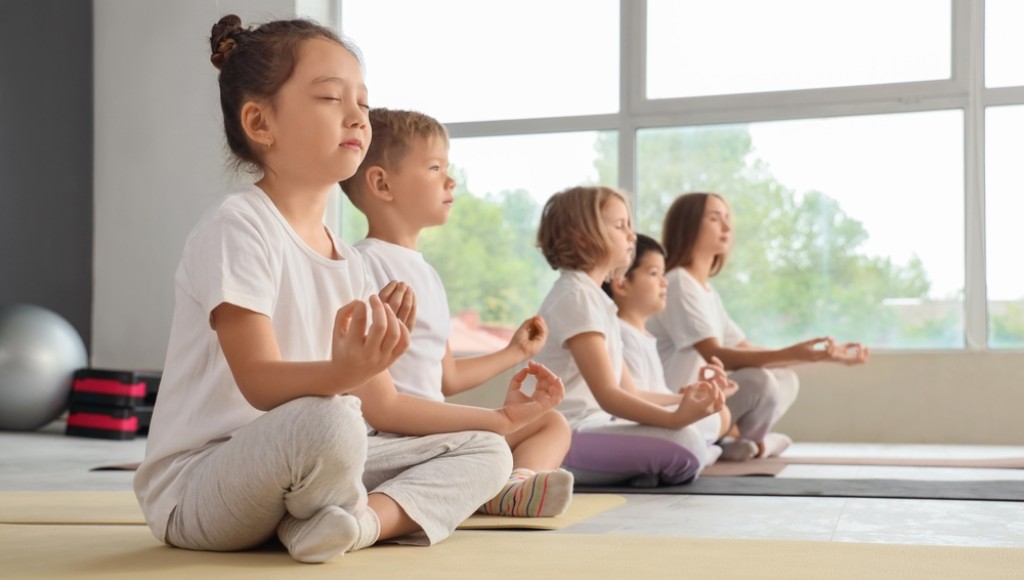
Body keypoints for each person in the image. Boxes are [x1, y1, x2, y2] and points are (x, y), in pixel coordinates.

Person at [133, 15, 564, 565]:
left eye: (362, 102)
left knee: (486, 452)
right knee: (335, 416)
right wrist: (345, 372)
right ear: (261, 123)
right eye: (332, 98)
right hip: (202, 489)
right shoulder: (237, 226)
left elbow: (383, 403)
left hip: (308, 472)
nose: (357, 116)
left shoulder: (350, 261)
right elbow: (260, 382)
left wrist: (502, 423)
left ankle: (355, 524)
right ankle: (329, 511)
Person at [339, 107, 574, 517]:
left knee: (551, 423)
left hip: (432, 430)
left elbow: (444, 377)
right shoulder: (363, 264)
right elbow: (374, 395)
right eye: (434, 167)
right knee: (485, 442)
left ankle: (509, 486)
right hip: (391, 435)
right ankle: (487, 488)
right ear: (382, 183)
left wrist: (515, 352)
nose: (451, 180)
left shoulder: (427, 273)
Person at [531, 185, 730, 488]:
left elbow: (630, 392)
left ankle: (639, 469)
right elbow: (609, 396)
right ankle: (637, 468)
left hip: (596, 427)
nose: (632, 235)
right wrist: (677, 418)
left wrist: (689, 400)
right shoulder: (576, 296)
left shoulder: (597, 300)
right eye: (620, 226)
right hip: (565, 436)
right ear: (583, 237)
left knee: (694, 433)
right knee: (687, 443)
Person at [648, 191, 869, 461]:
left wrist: (826, 356)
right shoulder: (679, 283)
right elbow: (717, 355)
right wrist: (794, 353)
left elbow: (744, 347)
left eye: (728, 219)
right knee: (759, 378)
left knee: (784, 376)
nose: (727, 227)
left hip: (705, 401)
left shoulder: (706, 291)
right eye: (715, 219)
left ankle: (735, 442)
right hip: (680, 403)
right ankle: (745, 442)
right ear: (688, 225)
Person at [602, 233, 733, 450]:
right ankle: (702, 451)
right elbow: (633, 401)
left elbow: (659, 393)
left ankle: (702, 450)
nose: (664, 282)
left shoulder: (642, 336)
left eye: (663, 274)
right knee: (714, 418)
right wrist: (684, 402)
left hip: (649, 418)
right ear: (621, 284)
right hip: (631, 420)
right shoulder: (621, 334)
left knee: (719, 413)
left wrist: (699, 395)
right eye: (654, 274)